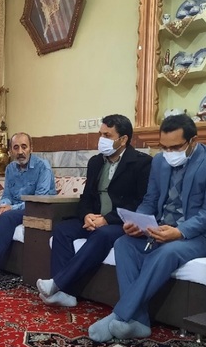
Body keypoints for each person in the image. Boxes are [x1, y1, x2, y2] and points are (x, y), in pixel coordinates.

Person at [89, 114, 206, 342]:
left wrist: (180, 231)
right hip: (161, 229)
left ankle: (121, 314)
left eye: (175, 147)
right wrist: (139, 222)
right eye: (164, 147)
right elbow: (150, 199)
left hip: (203, 235)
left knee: (167, 251)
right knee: (124, 243)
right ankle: (140, 322)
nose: (169, 153)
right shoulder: (159, 161)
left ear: (193, 141)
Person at [37, 115, 152, 307]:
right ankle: (67, 294)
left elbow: (140, 202)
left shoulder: (142, 163)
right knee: (63, 230)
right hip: (94, 218)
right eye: (101, 134)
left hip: (120, 222)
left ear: (123, 139)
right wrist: (86, 215)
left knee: (103, 234)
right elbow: (86, 197)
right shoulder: (95, 162)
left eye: (107, 135)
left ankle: (58, 284)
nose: (101, 139)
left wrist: (107, 219)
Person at [0, 132, 56, 287]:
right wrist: (3, 206)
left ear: (31, 148)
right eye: (16, 147)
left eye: (24, 147)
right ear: (10, 151)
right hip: (16, 208)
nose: (20, 151)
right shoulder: (10, 168)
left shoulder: (43, 167)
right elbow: (7, 195)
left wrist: (9, 209)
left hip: (37, 209)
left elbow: (39, 199)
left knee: (6, 217)